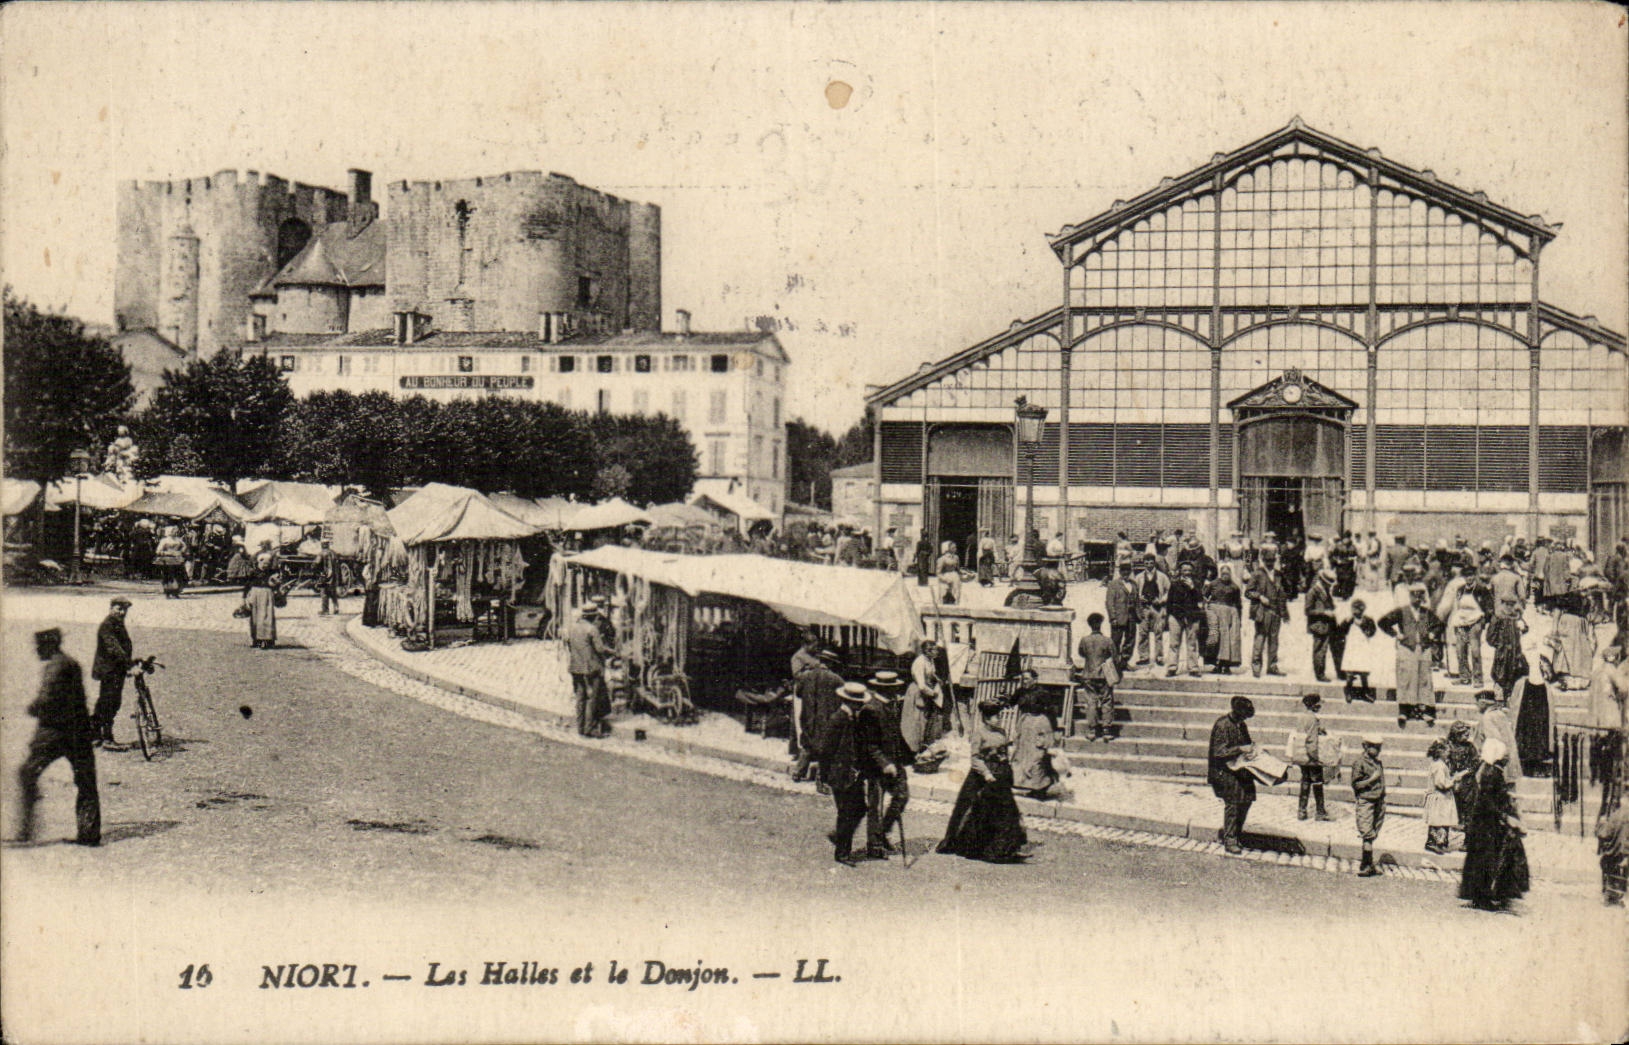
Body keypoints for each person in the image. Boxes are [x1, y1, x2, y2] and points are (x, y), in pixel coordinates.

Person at [12, 628, 100, 846]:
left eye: (39, 646)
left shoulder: (56, 667)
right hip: (79, 732)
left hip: (55, 734)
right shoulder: (69, 663)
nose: (37, 650)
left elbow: (47, 700)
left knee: (27, 773)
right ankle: (88, 834)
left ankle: (25, 830)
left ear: (49, 645)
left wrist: (33, 708)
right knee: (86, 782)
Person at [937, 698, 1028, 863]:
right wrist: (986, 773)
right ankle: (975, 847)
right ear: (985, 718)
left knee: (1006, 812)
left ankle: (1004, 849)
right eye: (993, 716)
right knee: (975, 811)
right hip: (982, 777)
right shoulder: (979, 733)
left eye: (998, 716)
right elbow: (975, 758)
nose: (997, 719)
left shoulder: (1001, 732)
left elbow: (1004, 752)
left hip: (999, 776)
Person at [1458, 738, 1530, 911]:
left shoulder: (1492, 771)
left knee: (1482, 860)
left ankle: (1482, 895)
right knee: (1485, 860)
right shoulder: (1493, 773)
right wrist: (1505, 817)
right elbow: (1488, 801)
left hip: (1485, 823)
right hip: (1485, 824)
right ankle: (1482, 897)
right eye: (1504, 755)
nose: (1507, 758)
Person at [820, 682, 874, 866]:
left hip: (853, 774)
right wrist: (823, 776)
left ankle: (839, 836)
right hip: (840, 774)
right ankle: (842, 853)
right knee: (847, 813)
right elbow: (826, 749)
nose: (860, 706)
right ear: (848, 701)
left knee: (859, 809)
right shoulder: (838, 719)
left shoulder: (853, 718)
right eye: (856, 702)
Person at [860, 672, 912, 858]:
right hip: (876, 767)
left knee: (902, 796)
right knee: (876, 806)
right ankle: (874, 846)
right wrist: (884, 763)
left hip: (895, 762)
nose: (897, 691)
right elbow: (869, 744)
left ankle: (882, 833)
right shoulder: (871, 710)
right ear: (885, 689)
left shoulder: (891, 706)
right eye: (894, 688)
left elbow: (896, 736)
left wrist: (911, 756)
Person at [1379, 583, 1435, 728]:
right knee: (1406, 678)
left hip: (1423, 648)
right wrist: (1397, 634)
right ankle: (1404, 710)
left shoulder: (1426, 612)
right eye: (1414, 596)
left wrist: (1432, 633)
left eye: (1420, 596)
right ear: (1410, 597)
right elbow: (1383, 622)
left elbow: (1439, 624)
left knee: (1424, 678)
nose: (1417, 599)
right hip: (1407, 648)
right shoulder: (1401, 611)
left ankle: (1424, 710)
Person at [1208, 696, 1258, 855]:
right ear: (1236, 712)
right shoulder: (1222, 725)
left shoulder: (1241, 725)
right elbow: (1219, 752)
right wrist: (1240, 750)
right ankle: (1230, 839)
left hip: (1239, 768)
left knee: (1248, 798)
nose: (1244, 719)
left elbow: (1247, 744)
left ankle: (1237, 834)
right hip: (1223, 771)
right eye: (1243, 716)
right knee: (1233, 803)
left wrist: (1252, 751)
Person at [792, 648, 843, 787]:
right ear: (831, 664)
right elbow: (842, 699)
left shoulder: (805, 676)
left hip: (808, 717)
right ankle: (822, 778)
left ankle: (798, 772)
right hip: (826, 718)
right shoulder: (836, 680)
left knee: (807, 744)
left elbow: (798, 694)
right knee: (825, 747)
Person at [88, 595, 135, 747]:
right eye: (119, 609)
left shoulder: (117, 624)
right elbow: (114, 648)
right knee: (111, 702)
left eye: (125, 610)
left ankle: (94, 734)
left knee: (105, 701)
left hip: (114, 669)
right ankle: (107, 738)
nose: (122, 612)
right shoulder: (108, 625)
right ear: (111, 608)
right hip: (109, 670)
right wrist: (129, 665)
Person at [566, 603, 614, 738]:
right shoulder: (592, 629)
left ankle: (580, 727)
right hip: (591, 669)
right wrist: (612, 652)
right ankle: (590, 728)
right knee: (592, 698)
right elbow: (600, 649)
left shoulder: (572, 627)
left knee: (580, 697)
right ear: (593, 616)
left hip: (576, 668)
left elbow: (569, 645)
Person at [1010, 683, 1061, 797]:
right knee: (1022, 767)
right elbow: (1017, 732)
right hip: (1024, 748)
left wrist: (1042, 744)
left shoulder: (1043, 720)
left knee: (1037, 767)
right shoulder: (1025, 717)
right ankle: (1027, 787)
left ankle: (1040, 790)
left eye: (1035, 704)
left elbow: (1048, 737)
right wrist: (1016, 741)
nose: (1033, 706)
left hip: (1036, 748)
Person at [902, 640, 950, 758]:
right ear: (927, 651)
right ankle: (912, 751)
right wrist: (933, 694)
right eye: (935, 650)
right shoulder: (919, 662)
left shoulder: (929, 660)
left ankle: (922, 749)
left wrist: (937, 680)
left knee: (925, 722)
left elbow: (931, 673)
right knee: (916, 722)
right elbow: (921, 685)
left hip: (926, 693)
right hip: (918, 693)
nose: (937, 652)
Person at [1076, 613, 1119, 742]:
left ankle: (1092, 730)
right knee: (1106, 701)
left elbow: (1081, 653)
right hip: (1104, 675)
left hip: (1088, 675)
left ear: (1090, 625)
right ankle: (1106, 730)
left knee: (1091, 702)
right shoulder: (1107, 641)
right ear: (1100, 624)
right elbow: (1115, 657)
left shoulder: (1084, 640)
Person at [1290, 693, 1332, 822]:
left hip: (1301, 755)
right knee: (1317, 783)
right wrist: (1315, 757)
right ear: (1314, 706)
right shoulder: (1313, 719)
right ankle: (1320, 812)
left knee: (1305, 782)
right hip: (1311, 756)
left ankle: (1301, 811)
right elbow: (1311, 741)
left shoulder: (1301, 717)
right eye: (1318, 704)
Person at [1350, 734, 1387, 877]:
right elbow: (1356, 784)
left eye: (1379, 747)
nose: (1378, 750)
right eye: (1375, 747)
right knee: (1367, 833)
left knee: (1374, 831)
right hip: (1366, 801)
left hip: (1378, 801)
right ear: (1365, 746)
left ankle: (1369, 863)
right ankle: (1365, 864)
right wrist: (1372, 779)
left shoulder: (1378, 763)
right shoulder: (1359, 763)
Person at [1245, 557, 1286, 678]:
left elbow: (1283, 593)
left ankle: (1272, 667)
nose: (1270, 563)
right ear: (1263, 561)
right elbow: (1248, 592)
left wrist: (1284, 612)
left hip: (1276, 611)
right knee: (1260, 638)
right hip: (1262, 611)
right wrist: (1259, 596)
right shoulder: (1257, 574)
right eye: (1268, 561)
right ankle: (1256, 666)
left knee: (1274, 640)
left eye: (1272, 561)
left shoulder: (1278, 574)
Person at [1424, 739, 1465, 855]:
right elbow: (1440, 783)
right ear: (1440, 751)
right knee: (1439, 820)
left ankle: (1441, 842)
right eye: (1447, 750)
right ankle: (1434, 842)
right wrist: (1454, 780)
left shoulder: (1439, 765)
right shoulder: (1439, 766)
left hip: (1443, 798)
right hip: (1440, 797)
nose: (1449, 753)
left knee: (1443, 819)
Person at [1473, 688, 1521, 786]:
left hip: (1495, 765)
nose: (1476, 706)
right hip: (1507, 763)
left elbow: (1493, 743)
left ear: (1483, 703)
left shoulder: (1488, 717)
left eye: (1477, 703)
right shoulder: (1500, 714)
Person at [1166, 561, 1205, 678]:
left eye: (1189, 570)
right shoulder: (1174, 584)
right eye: (1184, 570)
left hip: (1192, 617)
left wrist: (1192, 588)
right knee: (1174, 643)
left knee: (1192, 643)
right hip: (1176, 616)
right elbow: (1169, 601)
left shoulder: (1197, 584)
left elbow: (1200, 600)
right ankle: (1172, 667)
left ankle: (1193, 667)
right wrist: (1169, 616)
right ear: (1180, 571)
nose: (1187, 573)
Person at [1205, 563, 1243, 675]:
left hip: (1231, 614)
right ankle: (1216, 664)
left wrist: (1239, 619)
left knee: (1230, 640)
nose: (1225, 575)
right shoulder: (1213, 584)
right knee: (1217, 638)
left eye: (1227, 573)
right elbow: (1204, 596)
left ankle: (1226, 665)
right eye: (1223, 573)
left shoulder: (1235, 587)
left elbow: (1238, 603)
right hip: (1216, 613)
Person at [1133, 554, 1169, 670]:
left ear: (1154, 563)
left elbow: (1169, 591)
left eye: (1151, 562)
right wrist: (1139, 598)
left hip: (1157, 607)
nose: (1149, 565)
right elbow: (1134, 592)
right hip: (1144, 608)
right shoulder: (1139, 577)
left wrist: (1162, 599)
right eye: (1146, 563)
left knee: (1158, 632)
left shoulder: (1162, 577)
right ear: (1144, 563)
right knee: (1143, 633)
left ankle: (1159, 657)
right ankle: (1144, 657)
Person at [1340, 598, 1378, 702]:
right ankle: (1349, 691)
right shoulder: (1349, 620)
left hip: (1363, 646)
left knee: (1363, 670)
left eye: (1359, 609)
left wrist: (1362, 625)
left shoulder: (1368, 620)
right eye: (1354, 609)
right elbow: (1340, 631)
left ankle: (1366, 691)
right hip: (1352, 647)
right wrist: (1346, 623)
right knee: (1350, 671)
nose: (1356, 611)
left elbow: (1372, 632)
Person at [1103, 562, 1140, 670]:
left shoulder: (1134, 584)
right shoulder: (1113, 584)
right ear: (1120, 572)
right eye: (1123, 570)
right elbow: (1109, 602)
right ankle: (1114, 664)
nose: (1126, 573)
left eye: (1128, 570)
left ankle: (1124, 662)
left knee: (1130, 640)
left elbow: (1137, 601)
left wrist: (1139, 615)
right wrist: (1112, 618)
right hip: (1118, 618)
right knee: (1115, 641)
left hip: (1131, 617)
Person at [1305, 566, 1338, 682]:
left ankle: (1328, 672)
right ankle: (1319, 674)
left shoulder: (1325, 591)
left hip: (1327, 625)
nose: (1330, 586)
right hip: (1318, 625)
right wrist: (1324, 613)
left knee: (1327, 649)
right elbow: (1307, 610)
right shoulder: (1313, 592)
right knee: (1319, 650)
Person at [1596, 801, 1629, 906]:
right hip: (1625, 854)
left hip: (1617, 855)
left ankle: (1610, 893)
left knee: (1606, 861)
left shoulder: (1617, 815)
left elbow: (1604, 834)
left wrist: (1600, 824)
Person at [244, 558, 280, 650]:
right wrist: (245, 598)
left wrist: (276, 587)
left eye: (267, 563)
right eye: (264, 563)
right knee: (255, 617)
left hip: (267, 594)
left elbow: (277, 584)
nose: (265, 565)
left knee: (267, 617)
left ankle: (268, 640)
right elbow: (247, 585)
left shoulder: (272, 572)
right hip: (255, 594)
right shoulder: (253, 572)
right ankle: (256, 640)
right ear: (259, 562)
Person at [154, 526, 187, 598]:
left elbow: (184, 546)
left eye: (176, 531)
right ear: (169, 532)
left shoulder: (178, 540)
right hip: (167, 560)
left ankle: (176, 592)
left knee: (178, 576)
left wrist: (181, 551)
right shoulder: (164, 540)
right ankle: (168, 592)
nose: (175, 532)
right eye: (173, 531)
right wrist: (168, 553)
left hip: (177, 559)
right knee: (168, 576)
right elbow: (158, 551)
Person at [316, 538, 342, 615]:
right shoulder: (334, 553)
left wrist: (315, 570)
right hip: (334, 576)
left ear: (322, 545)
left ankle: (325, 610)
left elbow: (316, 564)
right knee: (333, 592)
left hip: (325, 576)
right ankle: (336, 607)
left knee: (324, 593)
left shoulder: (321, 553)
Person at [934, 541, 962, 605]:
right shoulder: (942, 559)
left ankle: (956, 603)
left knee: (956, 593)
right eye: (953, 548)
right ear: (948, 549)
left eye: (955, 548)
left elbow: (958, 569)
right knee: (945, 594)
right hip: (946, 577)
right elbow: (938, 573)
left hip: (955, 577)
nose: (955, 549)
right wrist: (945, 579)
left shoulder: (956, 557)